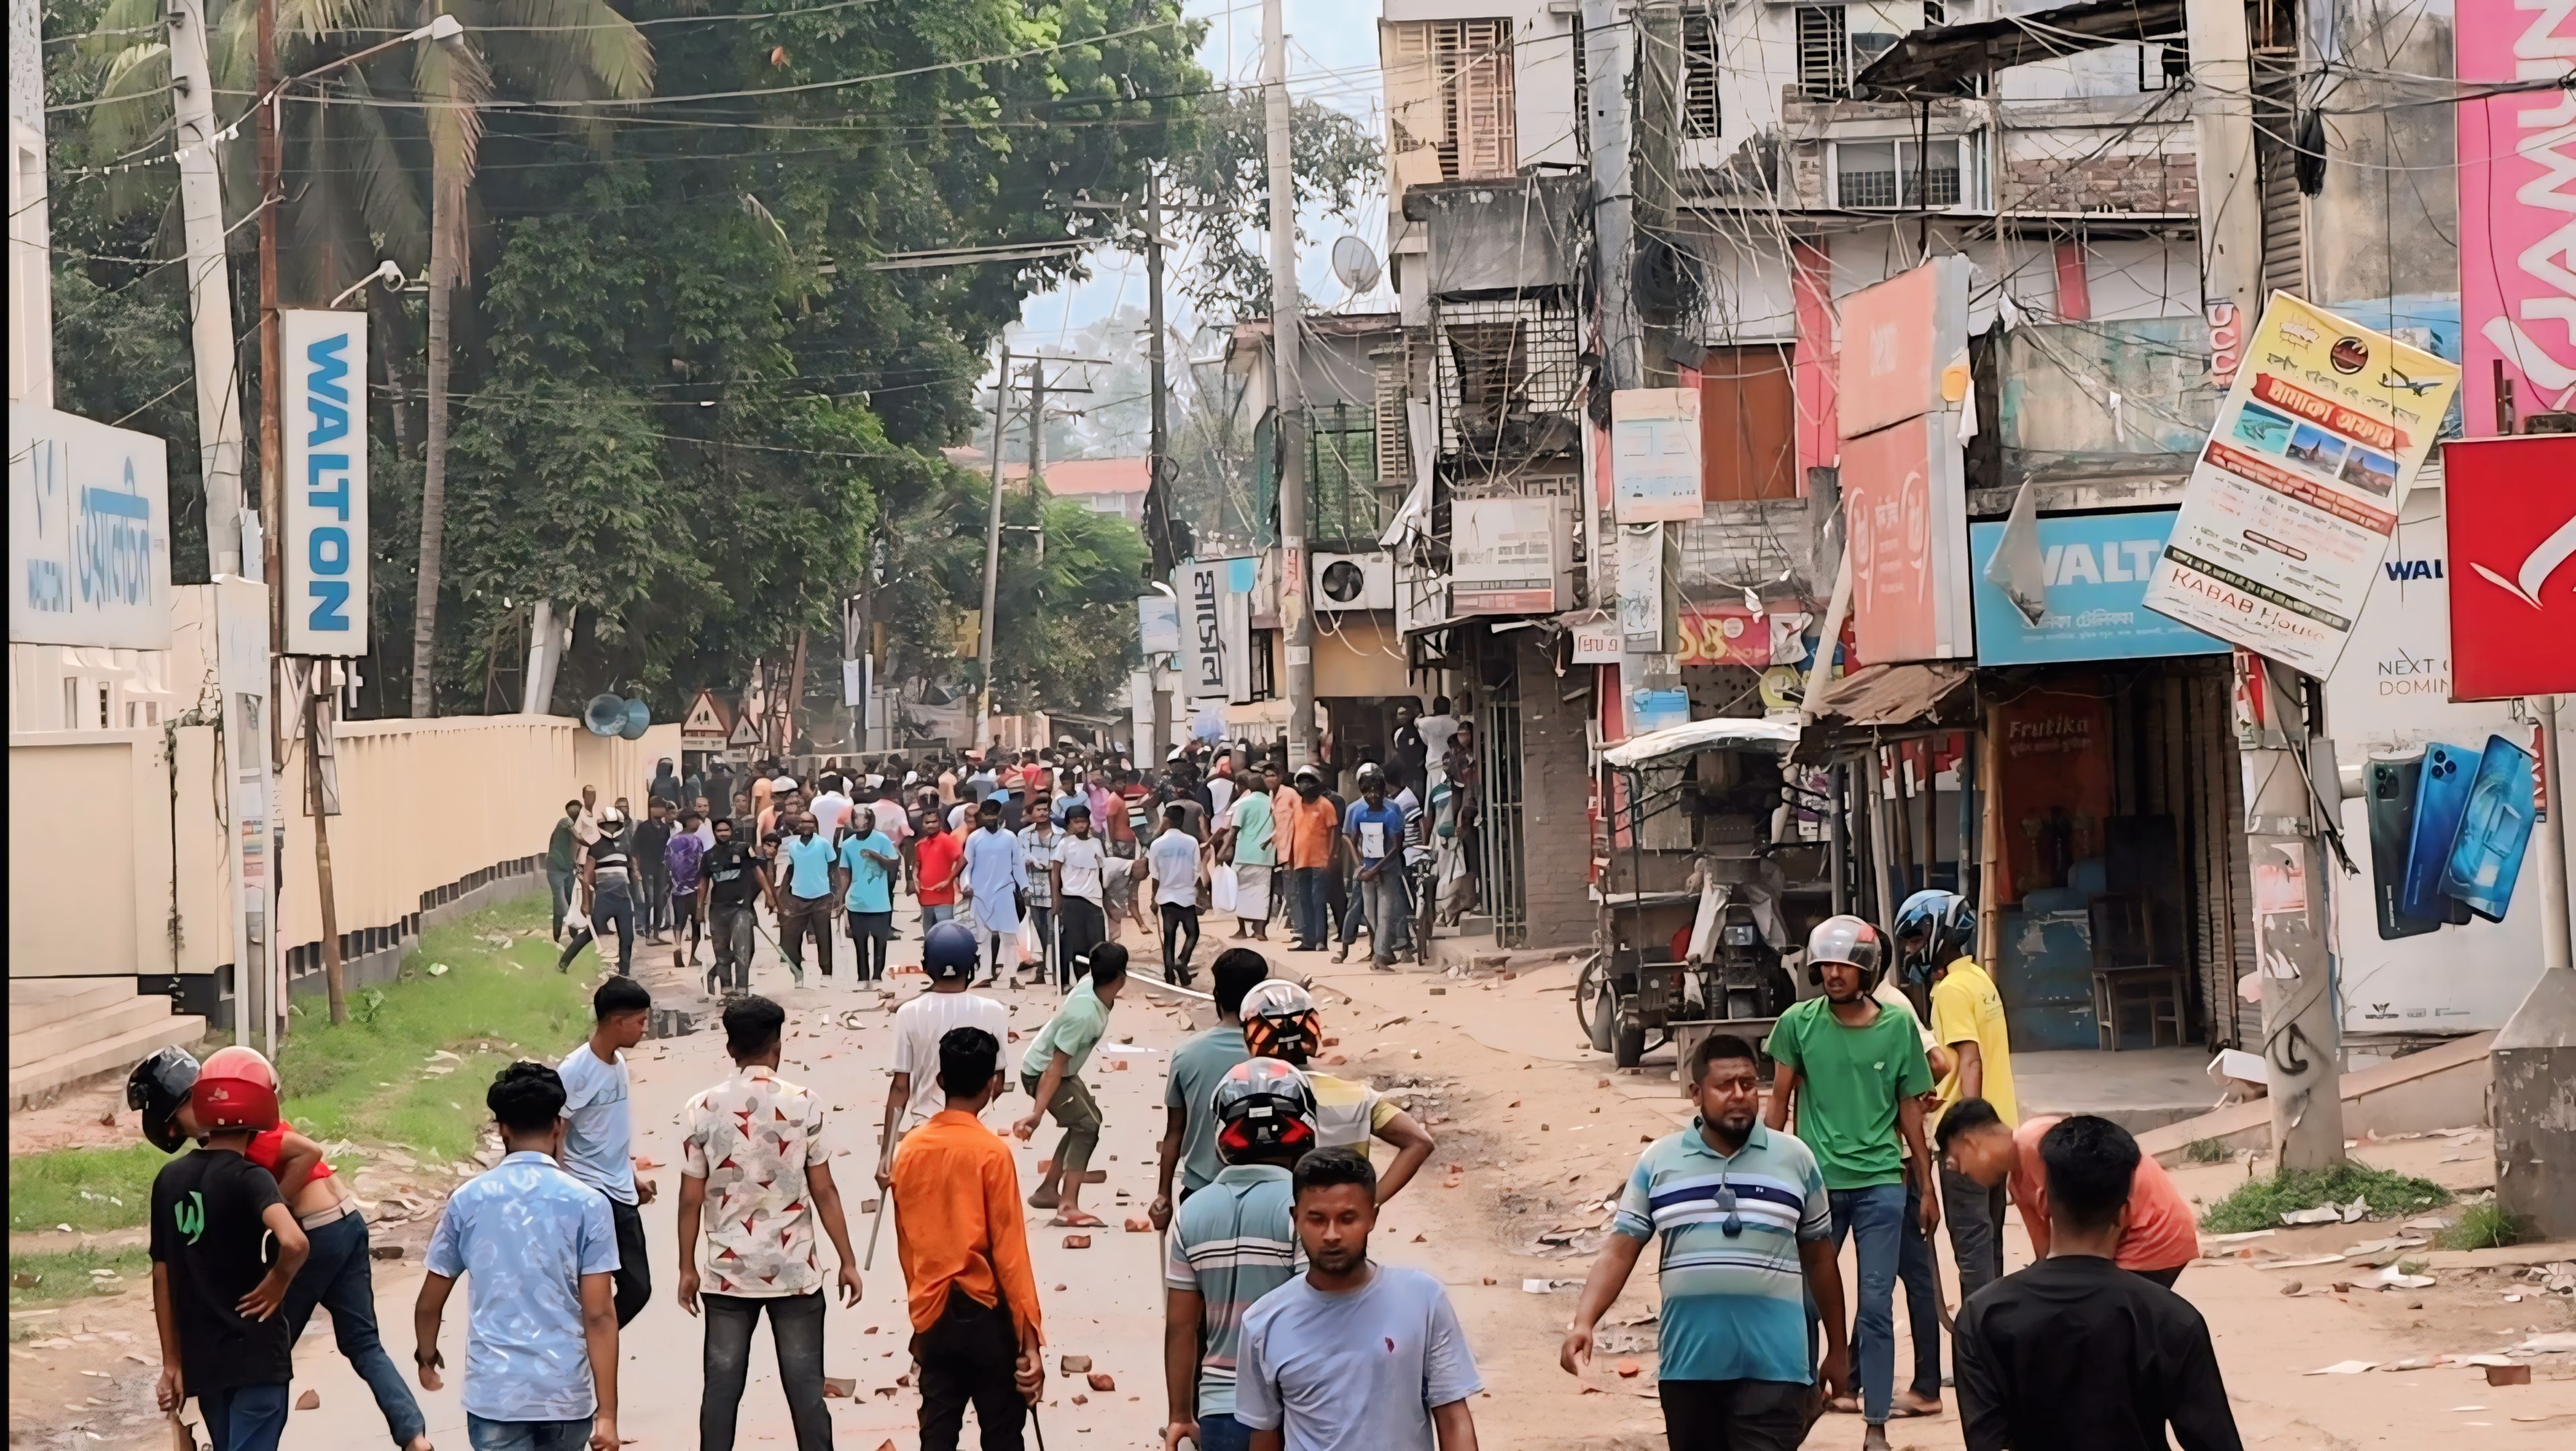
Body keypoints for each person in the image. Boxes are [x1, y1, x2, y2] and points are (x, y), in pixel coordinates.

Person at [129, 1047, 431, 1450]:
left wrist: (270, 1213)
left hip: (315, 1233)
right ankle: (414, 1436)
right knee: (360, 1341)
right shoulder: (239, 1133)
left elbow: (307, 1155)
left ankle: (213, 1435)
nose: (180, 1128)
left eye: (180, 1114)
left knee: (249, 1341)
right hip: (345, 1221)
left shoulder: (238, 1150)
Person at [1562, 1032, 1851, 1451]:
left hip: (1777, 1369)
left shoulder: (1795, 1159)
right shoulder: (1659, 1162)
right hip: (1689, 1372)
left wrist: (1837, 1350)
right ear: (1696, 1093)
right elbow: (1620, 1250)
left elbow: (1822, 1260)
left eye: (1749, 1084)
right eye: (1724, 1086)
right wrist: (1585, 1321)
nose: (1739, 1095)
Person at [1953, 1116, 2243, 1451]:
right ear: (2123, 1214)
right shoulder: (2172, 1319)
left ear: (2043, 1201)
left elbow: (1986, 1441)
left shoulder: (1982, 1317)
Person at [1761, 916, 1936, 1451]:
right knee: (1805, 1306)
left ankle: (1876, 1423)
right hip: (1815, 1185)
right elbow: (1779, 1103)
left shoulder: (1898, 1027)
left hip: (1883, 1184)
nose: (1834, 974)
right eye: (1826, 966)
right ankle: (1802, 1405)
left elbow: (1911, 1114)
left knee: (1876, 1305)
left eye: (1844, 965)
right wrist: (1761, 1173)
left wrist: (1926, 1187)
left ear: (1867, 970)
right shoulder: (1798, 1024)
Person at [673, 996, 861, 1451]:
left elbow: (690, 1199)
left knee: (721, 1390)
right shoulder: (805, 1103)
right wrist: (848, 1261)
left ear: (731, 1049)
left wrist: (686, 1267)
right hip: (795, 1270)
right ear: (778, 1046)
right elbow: (825, 1190)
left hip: (727, 1274)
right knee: (805, 1391)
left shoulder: (700, 1108)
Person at [415, 1061, 621, 1451]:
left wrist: (426, 1354)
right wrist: (607, 1415)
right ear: (559, 1125)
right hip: (565, 1395)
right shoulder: (589, 1204)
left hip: (496, 1397)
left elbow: (430, 1302)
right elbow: (599, 1314)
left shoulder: (468, 1200)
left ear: (502, 1129)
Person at [1234, 1148, 1482, 1451]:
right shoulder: (1263, 1323)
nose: (1332, 1235)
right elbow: (1264, 1435)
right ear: (1296, 1219)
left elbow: (1453, 1417)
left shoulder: (1423, 1299)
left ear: (1373, 1217)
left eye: (1347, 1218)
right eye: (1317, 1219)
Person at [891, 1027, 1049, 1451]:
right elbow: (1010, 1252)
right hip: (986, 1313)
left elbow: (906, 1241)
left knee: (938, 1433)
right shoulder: (991, 1153)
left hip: (932, 1313)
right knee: (1002, 1432)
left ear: (940, 1081)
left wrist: (920, 1306)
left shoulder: (909, 1149)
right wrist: (1030, 1339)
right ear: (992, 1085)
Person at [148, 1047, 310, 1451]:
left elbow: (162, 1276)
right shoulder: (252, 1178)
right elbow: (294, 1241)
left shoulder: (169, 1180)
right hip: (256, 1360)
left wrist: (173, 1363)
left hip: (206, 1364)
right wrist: (278, 1281)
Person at [1163, 1058, 1318, 1451]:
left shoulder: (1191, 1213)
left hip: (1219, 1408)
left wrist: (1180, 1414)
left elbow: (1181, 1327)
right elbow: (1312, 1316)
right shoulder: (1304, 1210)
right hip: (1295, 1404)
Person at [1895, 888, 2020, 1306]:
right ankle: (1998, 1350)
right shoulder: (1979, 979)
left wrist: (1968, 1132)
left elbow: (1970, 1061)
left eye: (1915, 938)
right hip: (2000, 1134)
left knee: (1973, 1257)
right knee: (1991, 1248)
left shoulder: (1949, 991)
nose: (1912, 949)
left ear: (1937, 933)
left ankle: (1978, 1360)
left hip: (1967, 1143)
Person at [1935, 1099, 2197, 1287]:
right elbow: (2047, 1256)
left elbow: (2091, 1232)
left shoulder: (2038, 1140)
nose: (1963, 1173)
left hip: (2151, 1233)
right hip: (2123, 1242)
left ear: (1971, 1143)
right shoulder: (2018, 1182)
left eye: (1957, 1160)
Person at [1236, 979, 1434, 1199]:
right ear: (1314, 1030)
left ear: (1250, 1038)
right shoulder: (1357, 1096)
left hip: (1272, 1225)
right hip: (1345, 1226)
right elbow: (1420, 1142)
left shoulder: (1240, 1099)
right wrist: (1372, 1203)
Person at [877, 922, 1013, 1188]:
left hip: (925, 1133)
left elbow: (900, 1088)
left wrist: (886, 1155)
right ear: (972, 965)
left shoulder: (910, 1012)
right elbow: (997, 1082)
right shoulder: (994, 1011)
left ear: (927, 966)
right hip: (977, 1132)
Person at [557, 978, 655, 1328]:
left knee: (638, 1288)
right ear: (617, 1021)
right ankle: (585, 1347)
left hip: (621, 1190)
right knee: (594, 1286)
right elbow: (556, 1131)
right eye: (640, 1021)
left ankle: (586, 1344)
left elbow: (611, 1132)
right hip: (590, 1193)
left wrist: (632, 1176)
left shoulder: (619, 1064)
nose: (645, 1029)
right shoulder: (574, 1072)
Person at [1011, 942, 1128, 1227]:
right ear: (1122, 978)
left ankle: (1048, 1190)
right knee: (1087, 1126)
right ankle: (1068, 1205)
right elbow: (1055, 1066)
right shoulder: (1084, 1014)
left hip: (1057, 1071)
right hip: (1043, 1073)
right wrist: (1037, 1113)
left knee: (1088, 1120)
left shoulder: (1092, 984)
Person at [1150, 949, 1268, 1228]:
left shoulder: (1187, 1053)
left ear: (1216, 995)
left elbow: (1174, 1131)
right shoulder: (1275, 1057)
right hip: (1264, 1193)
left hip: (1201, 1191)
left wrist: (1163, 1193)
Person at [1338, 764, 1410, 969]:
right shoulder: (1356, 810)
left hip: (1387, 869)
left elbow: (1396, 845)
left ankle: (1379, 957)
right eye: (1368, 791)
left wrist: (1375, 869)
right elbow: (1351, 839)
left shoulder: (1392, 810)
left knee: (1385, 913)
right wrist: (1360, 866)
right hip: (1366, 870)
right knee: (1370, 914)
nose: (1373, 795)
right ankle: (1383, 952)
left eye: (1376, 790)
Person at [558, 807, 639, 977]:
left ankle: (625, 973)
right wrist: (586, 903)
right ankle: (563, 963)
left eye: (615, 826)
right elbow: (587, 876)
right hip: (604, 900)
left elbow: (631, 872)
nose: (612, 829)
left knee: (627, 938)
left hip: (623, 900)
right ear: (601, 825)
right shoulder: (595, 848)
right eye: (608, 826)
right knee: (590, 934)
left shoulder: (626, 847)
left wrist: (636, 896)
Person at [962, 797, 1028, 987]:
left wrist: (1024, 887)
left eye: (994, 815)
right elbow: (967, 865)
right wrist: (966, 885)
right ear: (981, 816)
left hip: (1004, 891)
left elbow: (1017, 864)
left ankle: (1012, 976)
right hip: (980, 893)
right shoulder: (974, 838)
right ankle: (984, 975)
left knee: (1009, 935)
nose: (990, 819)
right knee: (982, 936)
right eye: (986, 815)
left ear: (999, 816)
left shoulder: (1010, 837)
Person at [700, 816, 768, 996]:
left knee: (744, 950)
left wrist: (769, 895)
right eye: (719, 831)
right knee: (721, 953)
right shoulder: (708, 856)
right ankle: (727, 991)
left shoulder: (744, 849)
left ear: (732, 831)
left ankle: (742, 992)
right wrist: (700, 908)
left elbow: (758, 872)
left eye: (726, 830)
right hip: (718, 909)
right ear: (714, 833)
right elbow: (704, 882)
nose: (723, 834)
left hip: (741, 908)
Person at [1279, 768, 1341, 953]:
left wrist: (1331, 857)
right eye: (1302, 782)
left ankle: (1321, 941)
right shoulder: (1295, 806)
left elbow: (1334, 832)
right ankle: (1308, 940)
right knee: (1304, 901)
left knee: (1318, 900)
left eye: (1309, 781)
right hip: (1300, 862)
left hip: (1320, 862)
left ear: (1316, 784)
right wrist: (1289, 859)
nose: (1305, 785)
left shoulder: (1325, 805)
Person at [838, 806, 901, 983]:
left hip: (880, 902)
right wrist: (841, 900)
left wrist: (876, 856)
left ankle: (877, 976)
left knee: (881, 942)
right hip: (856, 902)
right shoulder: (849, 844)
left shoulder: (881, 839)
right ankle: (862, 978)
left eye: (863, 818)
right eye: (856, 818)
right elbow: (844, 873)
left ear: (870, 819)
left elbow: (893, 864)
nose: (860, 822)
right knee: (860, 943)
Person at [1050, 803, 1111, 985]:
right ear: (1069, 823)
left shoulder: (1096, 843)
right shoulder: (1064, 844)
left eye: (1083, 822)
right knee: (1078, 946)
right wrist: (1056, 899)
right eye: (1076, 823)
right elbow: (1055, 872)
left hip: (1094, 900)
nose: (1080, 826)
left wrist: (1105, 897)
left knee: (1098, 944)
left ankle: (1097, 983)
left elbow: (1102, 870)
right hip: (1071, 899)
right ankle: (1082, 984)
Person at [774, 811, 837, 983]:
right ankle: (797, 972)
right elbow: (789, 871)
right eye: (803, 822)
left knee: (823, 937)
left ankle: (826, 974)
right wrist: (778, 895)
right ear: (798, 825)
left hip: (821, 898)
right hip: (798, 898)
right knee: (791, 939)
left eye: (810, 822)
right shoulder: (793, 846)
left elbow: (833, 866)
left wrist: (837, 893)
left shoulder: (824, 844)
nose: (806, 826)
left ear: (815, 825)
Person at [1219, 766, 1278, 941]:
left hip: (1244, 854)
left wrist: (1223, 850)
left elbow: (1234, 830)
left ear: (1249, 788)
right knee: (1262, 893)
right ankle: (1260, 931)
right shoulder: (1272, 804)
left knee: (1240, 892)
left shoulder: (1243, 804)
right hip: (1266, 855)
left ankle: (1242, 930)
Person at [1149, 803, 1205, 985]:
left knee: (1169, 938)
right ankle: (1182, 961)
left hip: (1166, 898)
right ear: (1182, 821)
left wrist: (1153, 898)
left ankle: (1169, 975)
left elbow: (1155, 875)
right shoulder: (1191, 842)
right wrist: (1201, 893)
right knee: (1193, 933)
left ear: (1166, 820)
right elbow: (1197, 870)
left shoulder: (1156, 844)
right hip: (1186, 896)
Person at [1017, 805, 1063, 986]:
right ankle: (1042, 972)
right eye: (1038, 810)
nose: (1043, 813)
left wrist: (1040, 863)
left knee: (1054, 931)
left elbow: (1060, 863)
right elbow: (1019, 861)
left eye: (1046, 809)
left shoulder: (1061, 835)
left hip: (1055, 889)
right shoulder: (1024, 835)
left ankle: (1055, 972)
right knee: (1039, 932)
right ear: (1031, 813)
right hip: (1033, 889)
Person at [665, 806, 709, 969]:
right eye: (695, 819)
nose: (698, 822)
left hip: (678, 888)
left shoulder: (672, 840)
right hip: (695, 888)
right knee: (697, 922)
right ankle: (692, 957)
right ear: (688, 821)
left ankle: (677, 947)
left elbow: (667, 862)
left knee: (679, 922)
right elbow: (701, 864)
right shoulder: (696, 841)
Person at [917, 799, 966, 934]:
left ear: (940, 823)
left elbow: (962, 860)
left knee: (945, 933)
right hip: (926, 897)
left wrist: (948, 881)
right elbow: (917, 866)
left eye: (934, 822)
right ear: (922, 825)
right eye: (927, 822)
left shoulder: (947, 840)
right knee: (928, 932)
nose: (931, 825)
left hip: (944, 897)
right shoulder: (920, 844)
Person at [634, 799, 674, 944]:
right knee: (648, 900)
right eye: (657, 807)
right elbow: (635, 849)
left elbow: (668, 850)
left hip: (661, 868)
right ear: (651, 809)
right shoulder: (643, 828)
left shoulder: (665, 829)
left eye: (662, 807)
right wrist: (636, 870)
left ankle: (656, 932)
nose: (661, 810)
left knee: (659, 900)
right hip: (646, 868)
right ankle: (647, 933)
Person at [547, 800, 586, 941]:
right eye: (573, 813)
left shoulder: (580, 828)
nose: (575, 816)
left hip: (568, 870)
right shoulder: (566, 822)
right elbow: (579, 839)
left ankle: (568, 938)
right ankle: (565, 936)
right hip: (555, 869)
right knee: (561, 903)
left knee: (570, 903)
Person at [811, 772, 855, 840]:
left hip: (818, 840)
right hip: (839, 841)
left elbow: (811, 820)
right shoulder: (846, 803)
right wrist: (847, 793)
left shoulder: (815, 801)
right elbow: (849, 823)